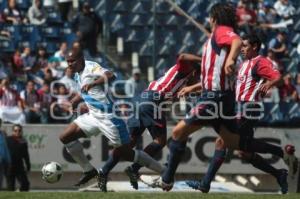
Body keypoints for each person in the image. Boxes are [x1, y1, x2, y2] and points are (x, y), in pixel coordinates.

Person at [186, 34, 298, 194]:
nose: (242, 49)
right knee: (245, 152)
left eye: (245, 46)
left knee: (222, 141)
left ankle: (205, 184)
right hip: (238, 108)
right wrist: (192, 88)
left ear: (254, 47)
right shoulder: (242, 64)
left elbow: (279, 78)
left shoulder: (260, 62)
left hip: (248, 108)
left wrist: (270, 83)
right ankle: (280, 171)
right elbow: (218, 81)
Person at [59, 48, 165, 187]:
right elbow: (85, 89)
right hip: (93, 116)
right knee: (65, 137)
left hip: (109, 119)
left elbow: (111, 75)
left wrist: (94, 83)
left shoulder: (91, 67)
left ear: (81, 59)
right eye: (68, 62)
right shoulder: (77, 73)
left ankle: (164, 171)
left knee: (127, 154)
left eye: (72, 61)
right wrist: (76, 100)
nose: (70, 64)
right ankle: (88, 170)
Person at [97, 53, 201, 192]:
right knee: (160, 141)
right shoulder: (184, 69)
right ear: (194, 71)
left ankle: (104, 171)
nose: (197, 80)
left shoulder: (183, 82)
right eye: (198, 77)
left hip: (142, 99)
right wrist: (203, 59)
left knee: (129, 143)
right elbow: (182, 56)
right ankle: (134, 168)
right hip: (153, 101)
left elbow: (184, 92)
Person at [6, 124, 30, 191]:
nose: (17, 132)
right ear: (12, 131)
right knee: (10, 187)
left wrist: (28, 164)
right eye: (15, 130)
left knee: (25, 184)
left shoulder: (23, 141)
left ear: (21, 131)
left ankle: (19, 193)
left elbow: (26, 155)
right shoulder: (8, 139)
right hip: (9, 165)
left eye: (19, 130)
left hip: (19, 166)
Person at [0, 118, 11, 190]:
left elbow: (6, 147)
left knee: (5, 177)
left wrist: (9, 159)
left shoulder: (3, 134)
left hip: (4, 159)